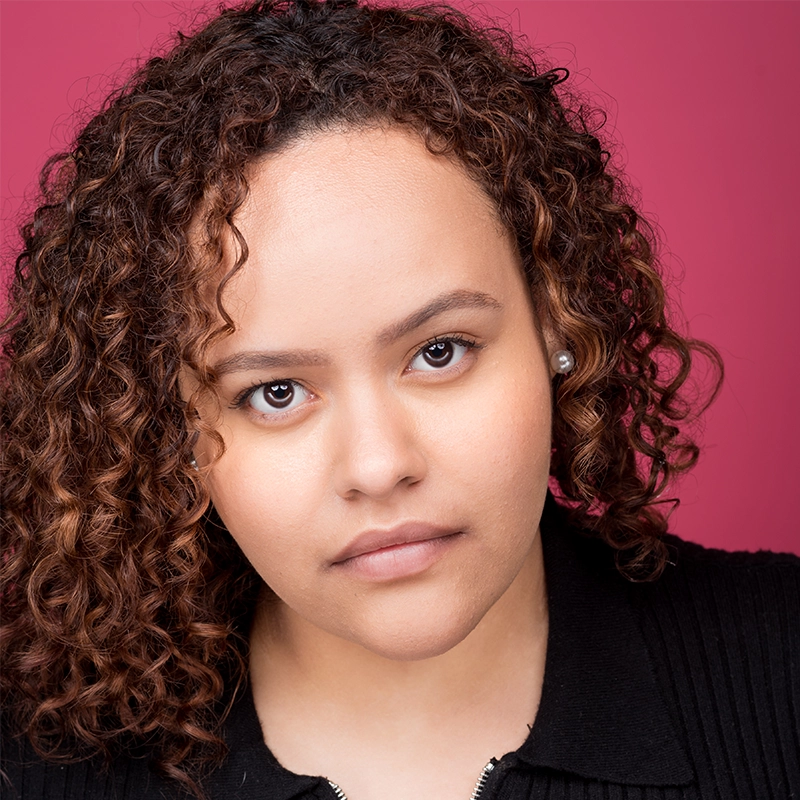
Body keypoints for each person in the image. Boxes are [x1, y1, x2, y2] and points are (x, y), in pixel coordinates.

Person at [1, 1, 797, 799]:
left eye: (438, 352)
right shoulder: (34, 765)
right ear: (167, 425)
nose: (379, 466)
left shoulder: (781, 669)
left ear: (557, 319)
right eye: (275, 393)